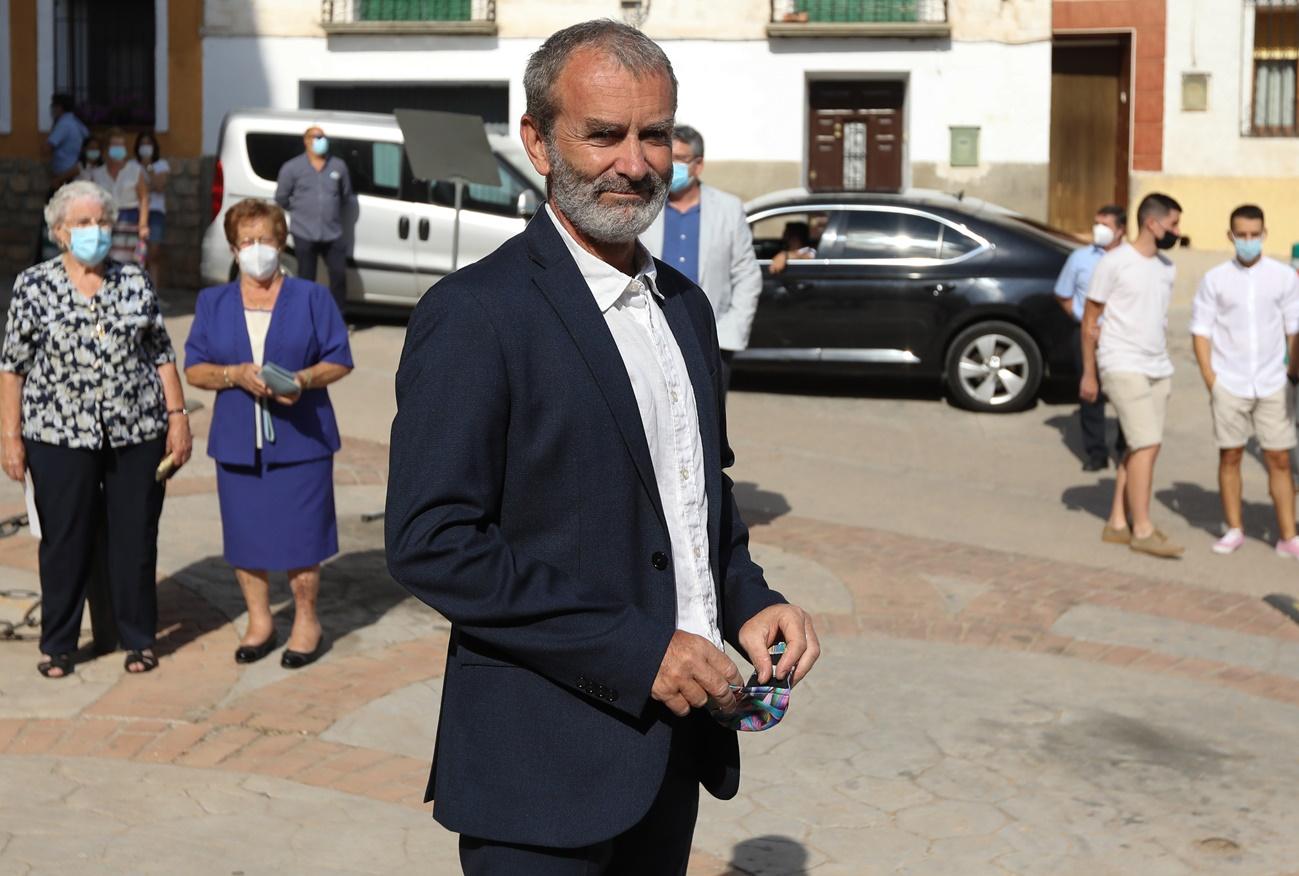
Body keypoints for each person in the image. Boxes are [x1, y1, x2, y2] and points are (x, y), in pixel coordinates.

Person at [386, 20, 820, 874]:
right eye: (604, 135)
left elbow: (695, 498)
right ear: (537, 141)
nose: (634, 162)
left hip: (672, 756)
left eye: (653, 134)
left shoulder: (685, 308)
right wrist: (636, 650)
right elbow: (431, 543)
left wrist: (748, 598)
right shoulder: (477, 315)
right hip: (538, 772)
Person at [0, 180, 192, 678]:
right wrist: (11, 436)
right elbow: (13, 367)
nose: (95, 232)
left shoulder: (134, 281)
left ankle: (138, 637)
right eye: (83, 223)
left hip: (137, 431)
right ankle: (60, 643)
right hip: (58, 435)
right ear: (60, 232)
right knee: (65, 540)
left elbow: (160, 352)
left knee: (135, 539)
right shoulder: (34, 286)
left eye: (102, 222)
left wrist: (178, 419)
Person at [184, 199, 353, 669]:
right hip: (237, 439)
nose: (257, 250)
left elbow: (340, 357)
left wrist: (302, 380)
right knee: (245, 537)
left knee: (303, 538)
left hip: (302, 439)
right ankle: (259, 620)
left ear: (281, 243)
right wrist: (232, 374)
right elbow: (194, 368)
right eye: (246, 242)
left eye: (265, 240)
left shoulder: (312, 298)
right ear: (234, 249)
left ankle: (306, 621)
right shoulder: (212, 303)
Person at [1189, 204, 1299, 557]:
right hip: (1230, 381)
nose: (1248, 241)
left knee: (1279, 458)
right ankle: (1234, 529)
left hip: (1272, 382)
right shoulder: (1215, 279)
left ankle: (1288, 535)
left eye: (1255, 235)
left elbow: (1294, 327)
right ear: (1230, 236)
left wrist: (1292, 374)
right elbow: (1201, 331)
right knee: (1231, 455)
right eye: (1242, 235)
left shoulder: (1282, 277)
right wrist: (1211, 379)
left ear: (1264, 234)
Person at [1080, 192, 1184, 559]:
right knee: (1147, 443)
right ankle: (1143, 529)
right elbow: (1090, 319)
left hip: (1158, 366)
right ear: (1153, 223)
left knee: (1138, 447)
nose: (1176, 231)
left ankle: (1117, 523)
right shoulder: (1114, 263)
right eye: (1173, 224)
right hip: (1121, 362)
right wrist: (1089, 373)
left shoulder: (1167, 267)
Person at [640, 125, 762, 395]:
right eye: (668, 157)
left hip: (710, 338)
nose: (673, 167)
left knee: (709, 425)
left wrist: (729, 333)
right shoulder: (644, 204)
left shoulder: (728, 209)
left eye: (681, 160)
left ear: (698, 165)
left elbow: (747, 273)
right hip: (652, 336)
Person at [1055, 204, 1129, 470]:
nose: (1098, 229)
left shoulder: (1132, 260)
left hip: (1122, 339)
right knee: (1090, 392)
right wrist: (1083, 319)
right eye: (1096, 223)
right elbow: (1063, 293)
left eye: (1106, 225)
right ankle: (1096, 452)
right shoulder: (1080, 258)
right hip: (1087, 334)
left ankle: (1124, 447)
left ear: (1121, 230)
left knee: (1125, 394)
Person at [274, 125, 356, 316]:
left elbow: (345, 196)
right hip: (304, 231)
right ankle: (305, 318)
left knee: (338, 276)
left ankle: (337, 319)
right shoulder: (292, 167)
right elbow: (281, 198)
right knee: (306, 280)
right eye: (316, 137)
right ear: (306, 140)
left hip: (332, 232)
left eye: (323, 137)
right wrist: (302, 210)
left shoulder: (338, 166)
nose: (321, 140)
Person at [89, 129, 150, 265]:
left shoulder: (134, 170)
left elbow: (144, 198)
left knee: (130, 264)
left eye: (121, 146)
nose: (118, 149)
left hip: (130, 222)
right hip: (105, 222)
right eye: (114, 145)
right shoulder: (97, 173)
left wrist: (143, 224)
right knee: (105, 262)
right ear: (106, 149)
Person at [135, 132, 169, 288]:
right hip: (137, 211)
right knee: (138, 254)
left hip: (155, 212)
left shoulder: (161, 165)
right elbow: (137, 190)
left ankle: (154, 290)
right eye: (143, 143)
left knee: (154, 253)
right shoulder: (132, 166)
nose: (145, 147)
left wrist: (148, 166)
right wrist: (148, 188)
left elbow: (160, 186)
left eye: (148, 143)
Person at [43, 94, 88, 189]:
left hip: (64, 177)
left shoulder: (63, 124)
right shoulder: (77, 123)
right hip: (76, 173)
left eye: (53, 106)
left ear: (59, 107)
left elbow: (46, 148)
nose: (52, 110)